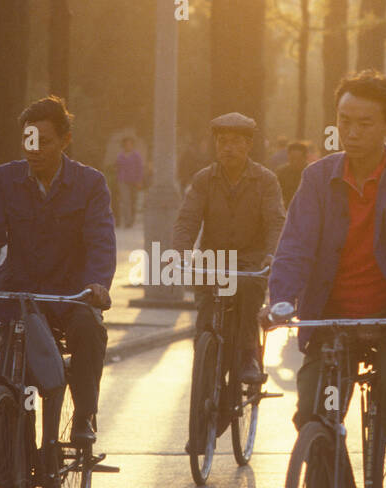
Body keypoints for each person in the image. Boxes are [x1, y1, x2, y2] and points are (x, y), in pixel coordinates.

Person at [262, 70, 386, 488]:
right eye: (344, 120)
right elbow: (295, 246)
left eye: (365, 122)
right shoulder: (318, 178)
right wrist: (281, 301)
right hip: (332, 316)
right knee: (313, 407)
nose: (352, 132)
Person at [0, 95, 115, 445]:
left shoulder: (90, 184)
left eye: (44, 141)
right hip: (20, 296)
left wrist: (96, 284)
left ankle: (83, 415)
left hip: (71, 296)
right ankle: (6, 483)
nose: (33, 150)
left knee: (88, 330)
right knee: (10, 388)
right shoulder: (7, 178)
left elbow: (101, 242)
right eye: (27, 141)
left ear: (66, 141)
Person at [171, 112, 285, 398]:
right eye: (222, 142)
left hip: (249, 261)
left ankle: (249, 355)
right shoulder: (204, 180)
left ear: (249, 145)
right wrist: (180, 252)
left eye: (235, 142)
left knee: (247, 293)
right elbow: (187, 220)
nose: (228, 148)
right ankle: (207, 374)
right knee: (206, 320)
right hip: (213, 262)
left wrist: (272, 255)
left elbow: (275, 222)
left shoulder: (266, 180)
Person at [115, 136, 145, 227]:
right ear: (123, 145)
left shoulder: (136, 155)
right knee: (125, 201)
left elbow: (140, 168)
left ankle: (132, 219)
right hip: (123, 180)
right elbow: (117, 168)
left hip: (134, 181)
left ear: (132, 145)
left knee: (133, 201)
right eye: (126, 144)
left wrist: (139, 180)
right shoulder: (120, 156)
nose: (128, 146)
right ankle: (127, 221)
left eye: (130, 144)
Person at [276, 139, 310, 205]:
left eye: (299, 159)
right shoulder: (281, 172)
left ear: (305, 158)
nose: (295, 162)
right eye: (292, 159)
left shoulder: (311, 173)